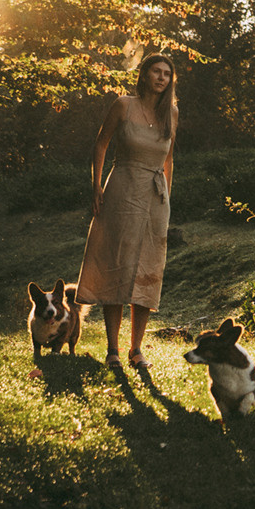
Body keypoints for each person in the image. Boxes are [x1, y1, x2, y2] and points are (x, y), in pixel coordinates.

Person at [75, 53, 176, 372]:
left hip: (155, 198)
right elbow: (101, 143)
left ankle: (136, 349)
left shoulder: (171, 112)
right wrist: (96, 187)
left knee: (147, 270)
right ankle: (113, 350)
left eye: (167, 74)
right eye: (156, 71)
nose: (161, 78)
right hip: (122, 190)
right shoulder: (123, 105)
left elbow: (168, 159)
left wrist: (167, 198)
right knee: (117, 266)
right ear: (144, 74)